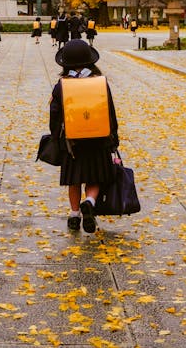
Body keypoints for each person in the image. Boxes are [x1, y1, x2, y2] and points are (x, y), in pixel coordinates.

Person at [49, 39, 120, 234]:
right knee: (95, 176)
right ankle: (89, 201)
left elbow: (55, 114)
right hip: (98, 139)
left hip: (72, 141)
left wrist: (56, 137)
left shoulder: (61, 86)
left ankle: (74, 215)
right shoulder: (100, 83)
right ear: (90, 62)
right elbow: (110, 111)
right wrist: (113, 135)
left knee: (74, 179)